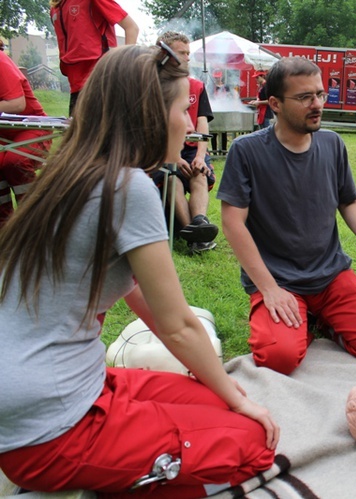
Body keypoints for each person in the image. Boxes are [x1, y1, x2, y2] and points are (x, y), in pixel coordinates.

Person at [0, 45, 278, 497]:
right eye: (182, 110)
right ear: (149, 114)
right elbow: (178, 327)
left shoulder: (70, 171)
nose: (190, 125)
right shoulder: (127, 188)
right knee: (250, 441)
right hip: (47, 430)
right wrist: (243, 402)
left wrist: (229, 394)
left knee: (219, 403)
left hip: (48, 393)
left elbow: (146, 304)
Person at [217, 57, 356, 376]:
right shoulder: (246, 151)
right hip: (278, 279)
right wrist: (269, 289)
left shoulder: (332, 143)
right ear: (275, 103)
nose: (317, 104)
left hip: (329, 274)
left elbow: (348, 200)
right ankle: (295, 322)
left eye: (320, 94)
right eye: (305, 97)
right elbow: (232, 222)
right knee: (279, 358)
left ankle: (319, 320)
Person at [151, 31, 218, 253]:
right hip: (165, 151)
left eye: (189, 53)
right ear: (166, 54)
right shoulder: (155, 85)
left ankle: (198, 223)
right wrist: (175, 157)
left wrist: (200, 156)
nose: (188, 57)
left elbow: (202, 124)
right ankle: (196, 235)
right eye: (182, 53)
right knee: (173, 180)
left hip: (191, 149)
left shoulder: (196, 86)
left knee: (200, 172)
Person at [50, 0, 139, 115]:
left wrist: (125, 68)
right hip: (76, 85)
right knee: (78, 131)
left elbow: (132, 28)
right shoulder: (55, 7)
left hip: (102, 82)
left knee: (105, 130)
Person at [0, 50, 51, 228]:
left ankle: (34, 220)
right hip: (4, 134)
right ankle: (5, 228)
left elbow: (17, 103)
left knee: (15, 161)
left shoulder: (1, 61)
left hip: (33, 127)